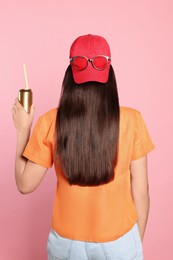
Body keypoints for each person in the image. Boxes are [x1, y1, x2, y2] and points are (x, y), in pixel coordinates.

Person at [12, 34, 155, 260]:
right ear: (110, 75)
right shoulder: (132, 120)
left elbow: (24, 184)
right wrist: (134, 241)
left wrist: (23, 129)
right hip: (119, 239)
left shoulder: (50, 122)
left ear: (69, 76)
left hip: (66, 244)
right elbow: (141, 192)